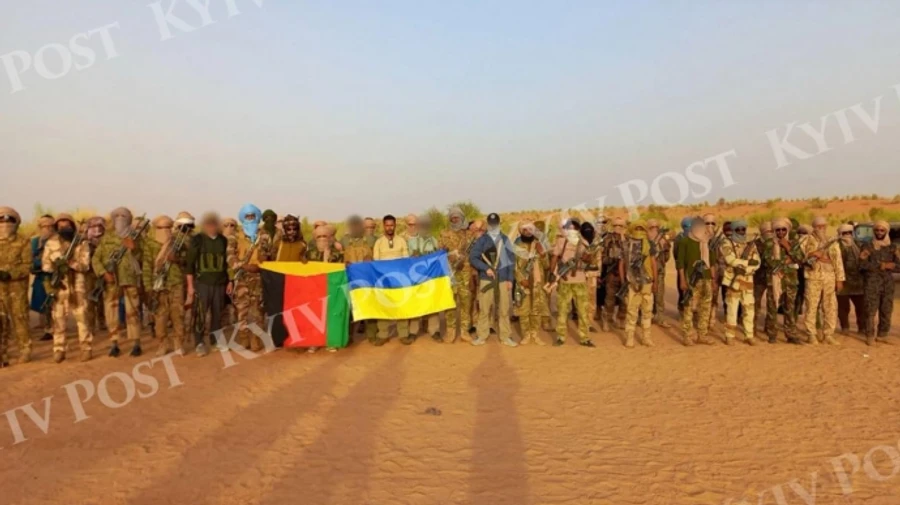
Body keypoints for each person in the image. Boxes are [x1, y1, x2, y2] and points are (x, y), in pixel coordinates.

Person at [91, 207, 144, 358]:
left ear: (129, 219)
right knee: (111, 312)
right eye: (117, 216)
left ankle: (136, 343)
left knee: (132, 312)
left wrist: (134, 248)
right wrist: (103, 273)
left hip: (129, 279)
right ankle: (114, 344)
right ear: (113, 219)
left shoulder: (135, 237)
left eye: (124, 216)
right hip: (111, 281)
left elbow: (143, 257)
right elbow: (96, 259)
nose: (120, 218)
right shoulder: (107, 238)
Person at [41, 214, 92, 362]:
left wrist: (71, 264)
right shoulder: (51, 243)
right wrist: (56, 266)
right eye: (61, 226)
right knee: (58, 319)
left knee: (82, 317)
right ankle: (59, 349)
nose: (64, 228)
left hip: (78, 285)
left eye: (67, 225)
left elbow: (85, 265)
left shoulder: (81, 243)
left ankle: (86, 347)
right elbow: (45, 265)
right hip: (59, 285)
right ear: (57, 227)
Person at [227, 204, 274, 352]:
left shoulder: (264, 235)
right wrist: (242, 266)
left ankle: (256, 339)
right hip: (241, 277)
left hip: (259, 277)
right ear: (243, 218)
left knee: (258, 311)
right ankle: (244, 339)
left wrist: (260, 264)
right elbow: (230, 256)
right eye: (247, 216)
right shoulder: (235, 236)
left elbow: (269, 256)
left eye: (253, 216)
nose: (250, 219)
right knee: (242, 310)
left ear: (257, 217)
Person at [185, 212, 232, 357]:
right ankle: (199, 342)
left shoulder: (223, 240)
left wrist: (229, 281)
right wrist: (190, 287)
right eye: (208, 224)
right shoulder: (197, 240)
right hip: (202, 284)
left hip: (219, 284)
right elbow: (190, 265)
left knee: (217, 313)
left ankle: (215, 340)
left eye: (214, 224)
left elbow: (227, 263)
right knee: (200, 314)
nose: (211, 227)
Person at [142, 215, 188, 356]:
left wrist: (177, 259)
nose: (165, 230)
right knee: (160, 318)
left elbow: (187, 262)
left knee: (178, 316)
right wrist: (148, 288)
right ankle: (163, 344)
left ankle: (178, 343)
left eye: (168, 227)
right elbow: (146, 267)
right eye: (161, 228)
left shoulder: (178, 242)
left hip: (176, 284)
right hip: (158, 286)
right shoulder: (150, 244)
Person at [469, 213, 516, 347]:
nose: (493, 226)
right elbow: (473, 257)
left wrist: (510, 280)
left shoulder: (505, 239)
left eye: (495, 224)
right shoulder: (482, 240)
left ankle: (505, 336)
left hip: (502, 279)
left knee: (504, 309)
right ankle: (482, 335)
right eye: (491, 224)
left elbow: (511, 261)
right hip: (487, 279)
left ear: (499, 224)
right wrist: (485, 268)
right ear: (488, 225)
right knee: (484, 308)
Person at [800, 216, 844, 345]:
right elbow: (798, 256)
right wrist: (812, 254)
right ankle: (811, 334)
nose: (821, 229)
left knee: (830, 307)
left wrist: (840, 279)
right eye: (818, 226)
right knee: (811, 306)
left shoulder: (832, 241)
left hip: (829, 277)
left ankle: (828, 334)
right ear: (813, 227)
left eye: (823, 226)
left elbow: (838, 261)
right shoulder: (806, 240)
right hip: (813, 277)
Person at [676, 217, 717, 346]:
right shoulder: (685, 242)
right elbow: (680, 263)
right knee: (688, 308)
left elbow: (712, 263)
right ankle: (687, 336)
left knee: (705, 308)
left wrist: (713, 280)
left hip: (706, 279)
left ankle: (702, 335)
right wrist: (682, 280)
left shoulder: (706, 242)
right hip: (691, 279)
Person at [372, 214, 412, 345]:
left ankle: (403, 334)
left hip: (399, 279)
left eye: (392, 225)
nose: (389, 227)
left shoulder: (401, 241)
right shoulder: (379, 242)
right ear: (384, 226)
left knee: (402, 306)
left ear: (395, 226)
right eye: (387, 225)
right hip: (383, 280)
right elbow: (376, 262)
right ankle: (383, 334)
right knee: (383, 307)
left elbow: (406, 260)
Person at [0, 207, 32, 367]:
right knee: (1, 320)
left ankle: (24, 350)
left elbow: (28, 265)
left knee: (20, 318)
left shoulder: (23, 241)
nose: (5, 224)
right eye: (2, 221)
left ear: (15, 223)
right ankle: (2, 354)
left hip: (17, 288)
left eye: (9, 221)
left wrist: (10, 273)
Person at [720, 220, 761, 345]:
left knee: (749, 308)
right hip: (733, 280)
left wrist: (745, 269)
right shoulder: (727, 242)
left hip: (747, 280)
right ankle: (729, 335)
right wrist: (747, 263)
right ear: (733, 230)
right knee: (732, 308)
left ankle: (749, 335)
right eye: (738, 229)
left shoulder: (751, 245)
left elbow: (757, 262)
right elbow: (730, 260)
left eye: (743, 229)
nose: (741, 232)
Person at [763, 218, 803, 344]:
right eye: (778, 230)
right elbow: (768, 261)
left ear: (787, 230)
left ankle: (791, 334)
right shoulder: (769, 243)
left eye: (783, 229)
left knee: (789, 309)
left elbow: (800, 258)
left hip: (790, 281)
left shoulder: (793, 243)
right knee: (772, 308)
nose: (780, 232)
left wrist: (787, 247)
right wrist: (786, 261)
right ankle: (772, 334)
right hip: (774, 281)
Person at [860, 220, 898, 346]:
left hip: (887, 283)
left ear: (886, 231)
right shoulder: (867, 246)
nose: (879, 232)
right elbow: (862, 264)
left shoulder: (893, 247)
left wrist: (891, 266)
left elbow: (898, 264)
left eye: (882, 230)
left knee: (886, 309)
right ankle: (870, 335)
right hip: (872, 282)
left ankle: (882, 334)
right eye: (877, 230)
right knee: (870, 310)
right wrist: (880, 265)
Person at [619, 221, 657, 348]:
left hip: (647, 283)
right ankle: (630, 337)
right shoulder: (626, 245)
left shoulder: (649, 244)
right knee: (631, 312)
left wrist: (655, 281)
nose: (639, 230)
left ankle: (646, 337)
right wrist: (623, 281)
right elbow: (622, 264)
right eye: (637, 228)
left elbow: (653, 263)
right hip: (632, 283)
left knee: (647, 311)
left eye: (642, 228)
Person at [439, 206, 473, 343]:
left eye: (457, 216)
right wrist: (448, 256)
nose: (454, 218)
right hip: (450, 273)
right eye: (452, 217)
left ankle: (465, 332)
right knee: (450, 303)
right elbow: (440, 251)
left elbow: (473, 253)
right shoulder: (443, 233)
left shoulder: (468, 234)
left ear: (462, 217)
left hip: (465, 273)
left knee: (466, 303)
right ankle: (451, 332)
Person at [341, 215, 376, 343]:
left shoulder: (371, 240)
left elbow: (377, 257)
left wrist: (370, 258)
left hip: (366, 279)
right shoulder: (344, 241)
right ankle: (348, 337)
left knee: (370, 306)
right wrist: (344, 262)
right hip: (350, 279)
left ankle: (372, 336)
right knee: (349, 309)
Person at [513, 221, 548, 345]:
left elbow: (546, 265)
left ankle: (535, 334)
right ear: (521, 232)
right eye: (525, 230)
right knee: (524, 311)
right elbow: (514, 266)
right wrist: (521, 279)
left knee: (536, 310)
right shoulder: (517, 246)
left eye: (530, 229)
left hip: (537, 283)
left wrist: (543, 253)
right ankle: (526, 335)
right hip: (523, 283)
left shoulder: (538, 244)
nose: (528, 232)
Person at [408, 215, 440, 340]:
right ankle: (413, 331)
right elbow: (407, 258)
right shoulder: (412, 241)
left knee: (433, 303)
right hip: (416, 277)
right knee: (416, 303)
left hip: (431, 277)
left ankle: (434, 330)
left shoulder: (433, 240)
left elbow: (439, 255)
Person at [836, 223, 866, 336]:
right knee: (843, 307)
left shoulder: (858, 245)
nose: (848, 235)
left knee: (861, 307)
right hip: (843, 281)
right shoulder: (836, 246)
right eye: (845, 233)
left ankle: (862, 328)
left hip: (859, 281)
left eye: (850, 233)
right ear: (840, 234)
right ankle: (845, 327)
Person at [30, 214, 55, 341]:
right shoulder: (35, 241)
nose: (47, 228)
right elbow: (30, 258)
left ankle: (51, 329)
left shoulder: (58, 240)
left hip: (54, 276)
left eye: (50, 226)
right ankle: (46, 326)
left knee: (53, 304)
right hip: (40, 277)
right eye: (44, 226)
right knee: (42, 303)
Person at [600, 217, 627, 331]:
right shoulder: (607, 240)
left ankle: (621, 319)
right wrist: (612, 259)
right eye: (616, 225)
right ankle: (607, 320)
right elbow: (603, 258)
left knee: (624, 299)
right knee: (609, 299)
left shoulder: (628, 240)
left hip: (626, 274)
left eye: (620, 226)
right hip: (611, 273)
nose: (618, 228)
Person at [84, 216, 106, 335]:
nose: (96, 229)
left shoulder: (106, 240)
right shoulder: (85, 240)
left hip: (102, 272)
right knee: (90, 299)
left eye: (99, 226)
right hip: (89, 273)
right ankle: (91, 325)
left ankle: (102, 321)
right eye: (93, 226)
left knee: (102, 299)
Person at [647, 219, 671, 328]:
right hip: (646, 273)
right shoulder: (645, 241)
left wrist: (666, 248)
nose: (654, 230)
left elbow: (666, 258)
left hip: (660, 271)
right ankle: (646, 317)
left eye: (656, 227)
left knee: (659, 296)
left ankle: (660, 318)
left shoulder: (662, 241)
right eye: (652, 228)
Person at [580, 221, 602, 333]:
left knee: (592, 300)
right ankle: (582, 322)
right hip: (581, 275)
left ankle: (589, 323)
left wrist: (599, 275)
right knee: (582, 300)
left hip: (593, 275)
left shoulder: (596, 243)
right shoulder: (579, 242)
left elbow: (599, 259)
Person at [753, 221, 773, 335]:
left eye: (771, 231)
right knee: (755, 304)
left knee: (772, 304)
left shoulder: (776, 243)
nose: (769, 233)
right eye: (767, 231)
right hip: (758, 278)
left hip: (771, 278)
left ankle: (769, 328)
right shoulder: (754, 244)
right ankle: (752, 328)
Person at [467, 219, 486, 334]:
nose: (478, 231)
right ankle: (472, 323)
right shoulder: (469, 242)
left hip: (484, 274)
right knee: (471, 300)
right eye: (475, 229)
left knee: (483, 300)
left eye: (480, 229)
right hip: (470, 274)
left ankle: (485, 324)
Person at [672, 216, 693, 312]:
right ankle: (682, 309)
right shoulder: (679, 238)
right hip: (682, 268)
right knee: (682, 290)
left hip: (692, 267)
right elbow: (676, 254)